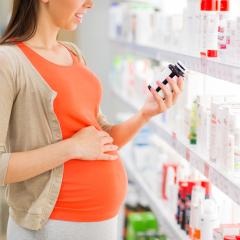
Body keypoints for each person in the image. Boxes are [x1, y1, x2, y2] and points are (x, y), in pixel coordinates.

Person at [0, 0, 184, 239]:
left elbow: (100, 140)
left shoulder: (72, 54)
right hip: (54, 226)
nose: (90, 4)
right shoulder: (8, 61)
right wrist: (71, 148)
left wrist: (144, 115)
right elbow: (81, 145)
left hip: (101, 222)